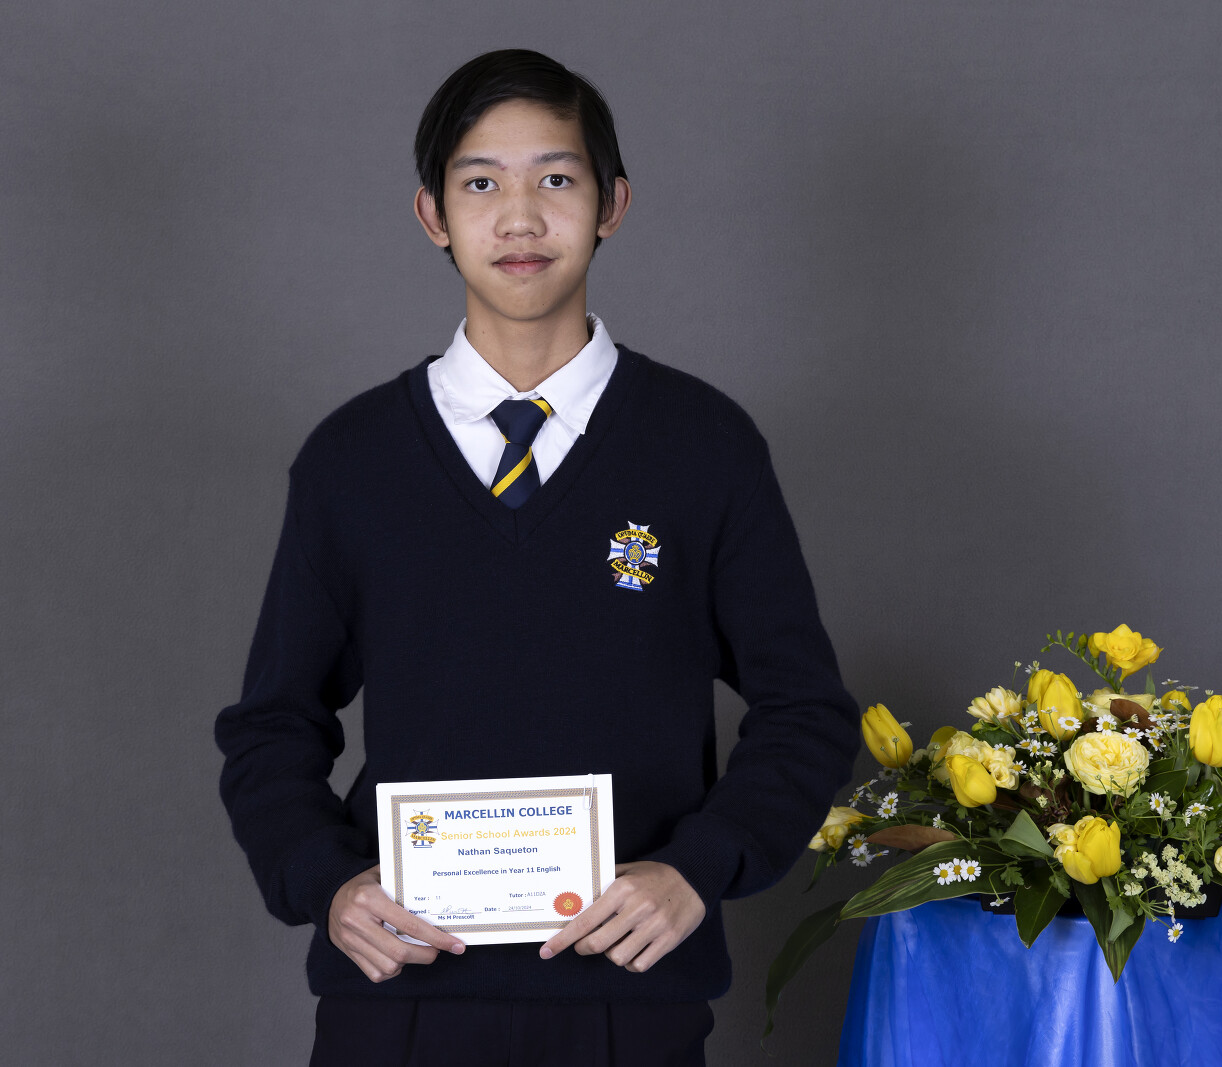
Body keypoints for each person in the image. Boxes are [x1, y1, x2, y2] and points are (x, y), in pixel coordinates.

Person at [215, 48, 859, 1067]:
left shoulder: (703, 444)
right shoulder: (353, 459)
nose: (519, 218)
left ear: (613, 204)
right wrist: (326, 882)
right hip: (399, 1002)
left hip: (628, 1003)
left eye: (556, 178)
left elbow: (806, 710)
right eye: (481, 184)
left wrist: (696, 868)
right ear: (433, 214)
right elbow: (270, 726)